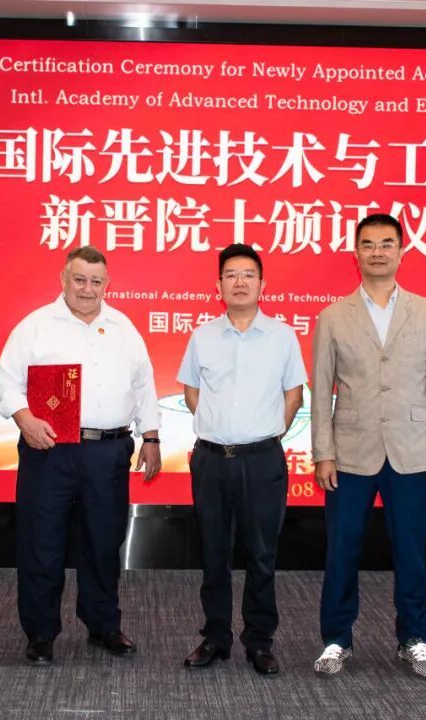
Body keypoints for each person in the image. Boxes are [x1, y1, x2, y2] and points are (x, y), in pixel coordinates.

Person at [0, 246, 161, 666]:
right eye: (80, 279)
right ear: (63, 279)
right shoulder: (35, 326)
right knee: (42, 542)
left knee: (103, 541)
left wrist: (151, 436)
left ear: (107, 284)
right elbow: (6, 381)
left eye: (96, 281)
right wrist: (25, 419)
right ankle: (40, 632)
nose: (88, 289)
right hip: (49, 450)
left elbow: (143, 385)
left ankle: (103, 624)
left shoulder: (123, 328)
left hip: (108, 451)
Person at [310, 213, 426, 680]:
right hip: (350, 452)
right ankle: (336, 639)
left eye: (386, 243)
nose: (377, 252)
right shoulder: (333, 316)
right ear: (355, 253)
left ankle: (415, 639)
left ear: (401, 252)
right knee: (342, 550)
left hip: (411, 452)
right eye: (368, 244)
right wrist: (323, 452)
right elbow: (321, 389)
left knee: (411, 551)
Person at [177, 245, 306, 676]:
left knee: (261, 554)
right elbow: (191, 392)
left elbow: (294, 395)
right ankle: (215, 638)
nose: (239, 282)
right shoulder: (203, 336)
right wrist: (220, 429)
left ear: (262, 284)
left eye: (248, 274)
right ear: (218, 285)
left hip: (262, 461)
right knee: (213, 553)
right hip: (212, 460)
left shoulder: (282, 336)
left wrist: (263, 433)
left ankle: (259, 641)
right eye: (230, 274)